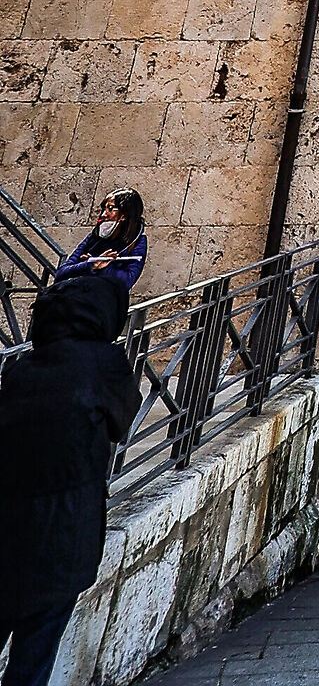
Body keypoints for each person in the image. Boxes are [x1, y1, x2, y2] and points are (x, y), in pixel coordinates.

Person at [0, 270, 140, 686]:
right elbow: (121, 422)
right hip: (63, 535)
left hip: (8, 528)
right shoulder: (106, 364)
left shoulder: (21, 368)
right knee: (32, 661)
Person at [54, 189, 146, 297]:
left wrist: (104, 267)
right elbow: (61, 273)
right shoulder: (94, 237)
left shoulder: (137, 242)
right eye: (103, 208)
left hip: (103, 301)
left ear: (124, 215)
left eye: (110, 209)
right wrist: (90, 265)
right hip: (76, 296)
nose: (103, 214)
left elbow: (127, 281)